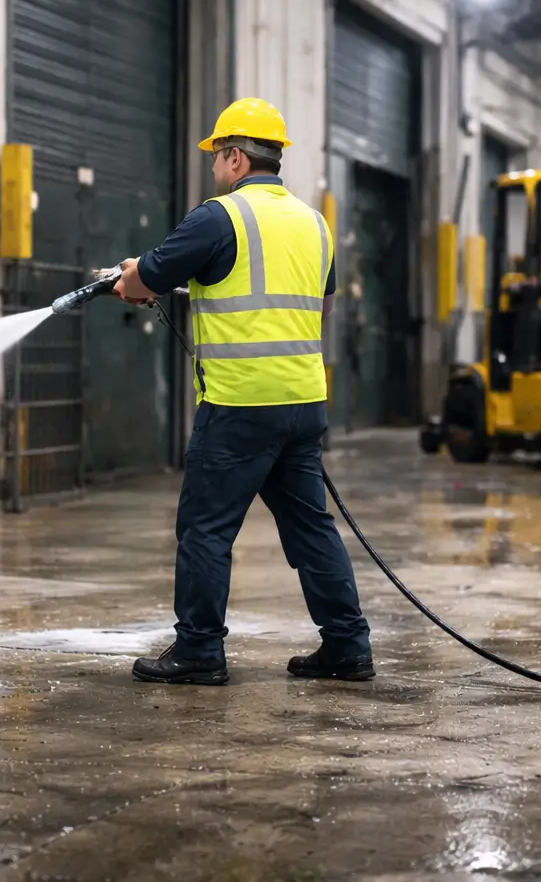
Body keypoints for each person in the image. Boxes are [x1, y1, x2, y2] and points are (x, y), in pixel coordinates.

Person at [113, 97, 373, 687]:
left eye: (216, 155)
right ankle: (347, 646)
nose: (213, 167)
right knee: (311, 527)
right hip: (303, 403)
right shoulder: (314, 222)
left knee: (205, 529)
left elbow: (146, 278)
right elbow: (323, 306)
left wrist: (129, 278)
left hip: (239, 406)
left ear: (235, 157)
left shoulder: (218, 216)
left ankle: (199, 651)